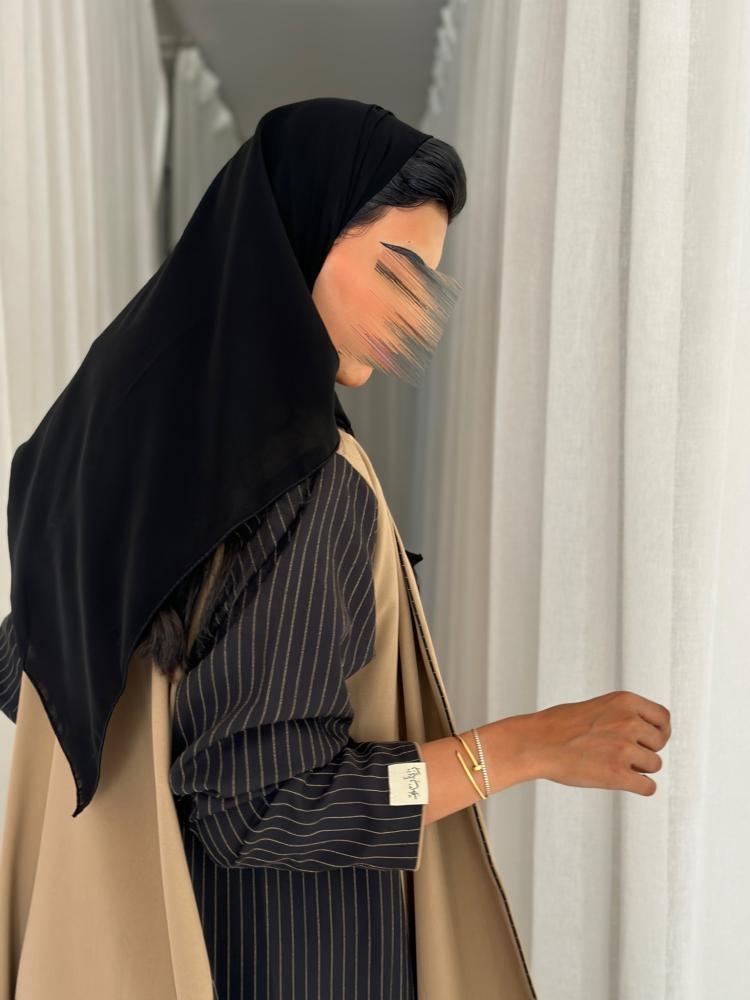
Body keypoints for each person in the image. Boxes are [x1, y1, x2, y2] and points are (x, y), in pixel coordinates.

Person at [0, 98, 670, 1000]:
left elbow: (27, 670)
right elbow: (259, 806)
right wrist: (519, 749)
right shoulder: (309, 480)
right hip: (285, 958)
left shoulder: (94, 435)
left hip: (132, 942)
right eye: (396, 271)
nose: (415, 316)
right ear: (301, 236)